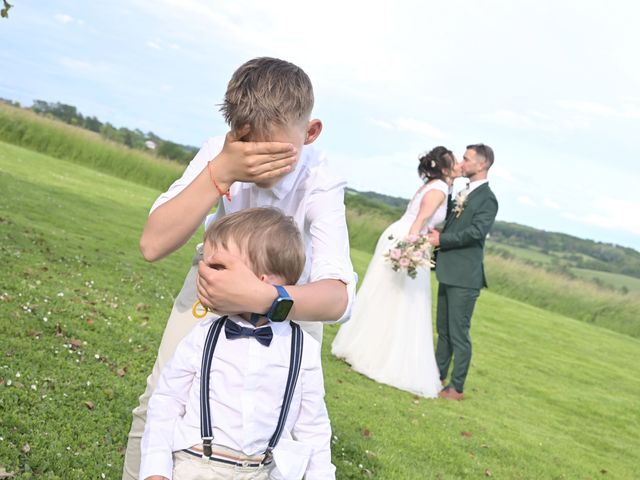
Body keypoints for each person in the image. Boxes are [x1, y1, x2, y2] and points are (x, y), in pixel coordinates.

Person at [124, 57, 357, 479]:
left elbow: (338, 297)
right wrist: (223, 171)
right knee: (161, 400)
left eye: (275, 152)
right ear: (235, 132)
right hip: (211, 286)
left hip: (289, 299)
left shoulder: (319, 177)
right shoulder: (221, 152)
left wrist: (265, 298)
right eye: (249, 148)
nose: (259, 163)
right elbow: (153, 243)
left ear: (311, 132)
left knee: (274, 422)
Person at [140, 208, 335, 480]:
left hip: (261, 471)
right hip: (195, 467)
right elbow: (167, 402)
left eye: (218, 267)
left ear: (262, 283)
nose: (205, 274)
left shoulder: (303, 350)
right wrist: (155, 468)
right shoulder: (202, 336)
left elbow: (313, 426)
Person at [331, 146, 460, 398]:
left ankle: (367, 348)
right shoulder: (440, 189)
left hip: (400, 234)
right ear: (444, 168)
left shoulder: (433, 185)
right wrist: (409, 249)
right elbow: (421, 220)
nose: (457, 165)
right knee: (400, 301)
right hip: (408, 238)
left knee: (386, 296)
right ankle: (379, 357)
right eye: (454, 161)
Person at [427, 144, 499, 401]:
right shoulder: (464, 190)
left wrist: (442, 240)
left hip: (465, 277)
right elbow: (454, 221)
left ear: (482, 164)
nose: (462, 162)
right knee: (443, 331)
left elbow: (476, 233)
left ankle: (456, 388)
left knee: (458, 334)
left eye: (467, 159)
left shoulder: (488, 199)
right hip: (449, 270)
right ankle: (435, 376)